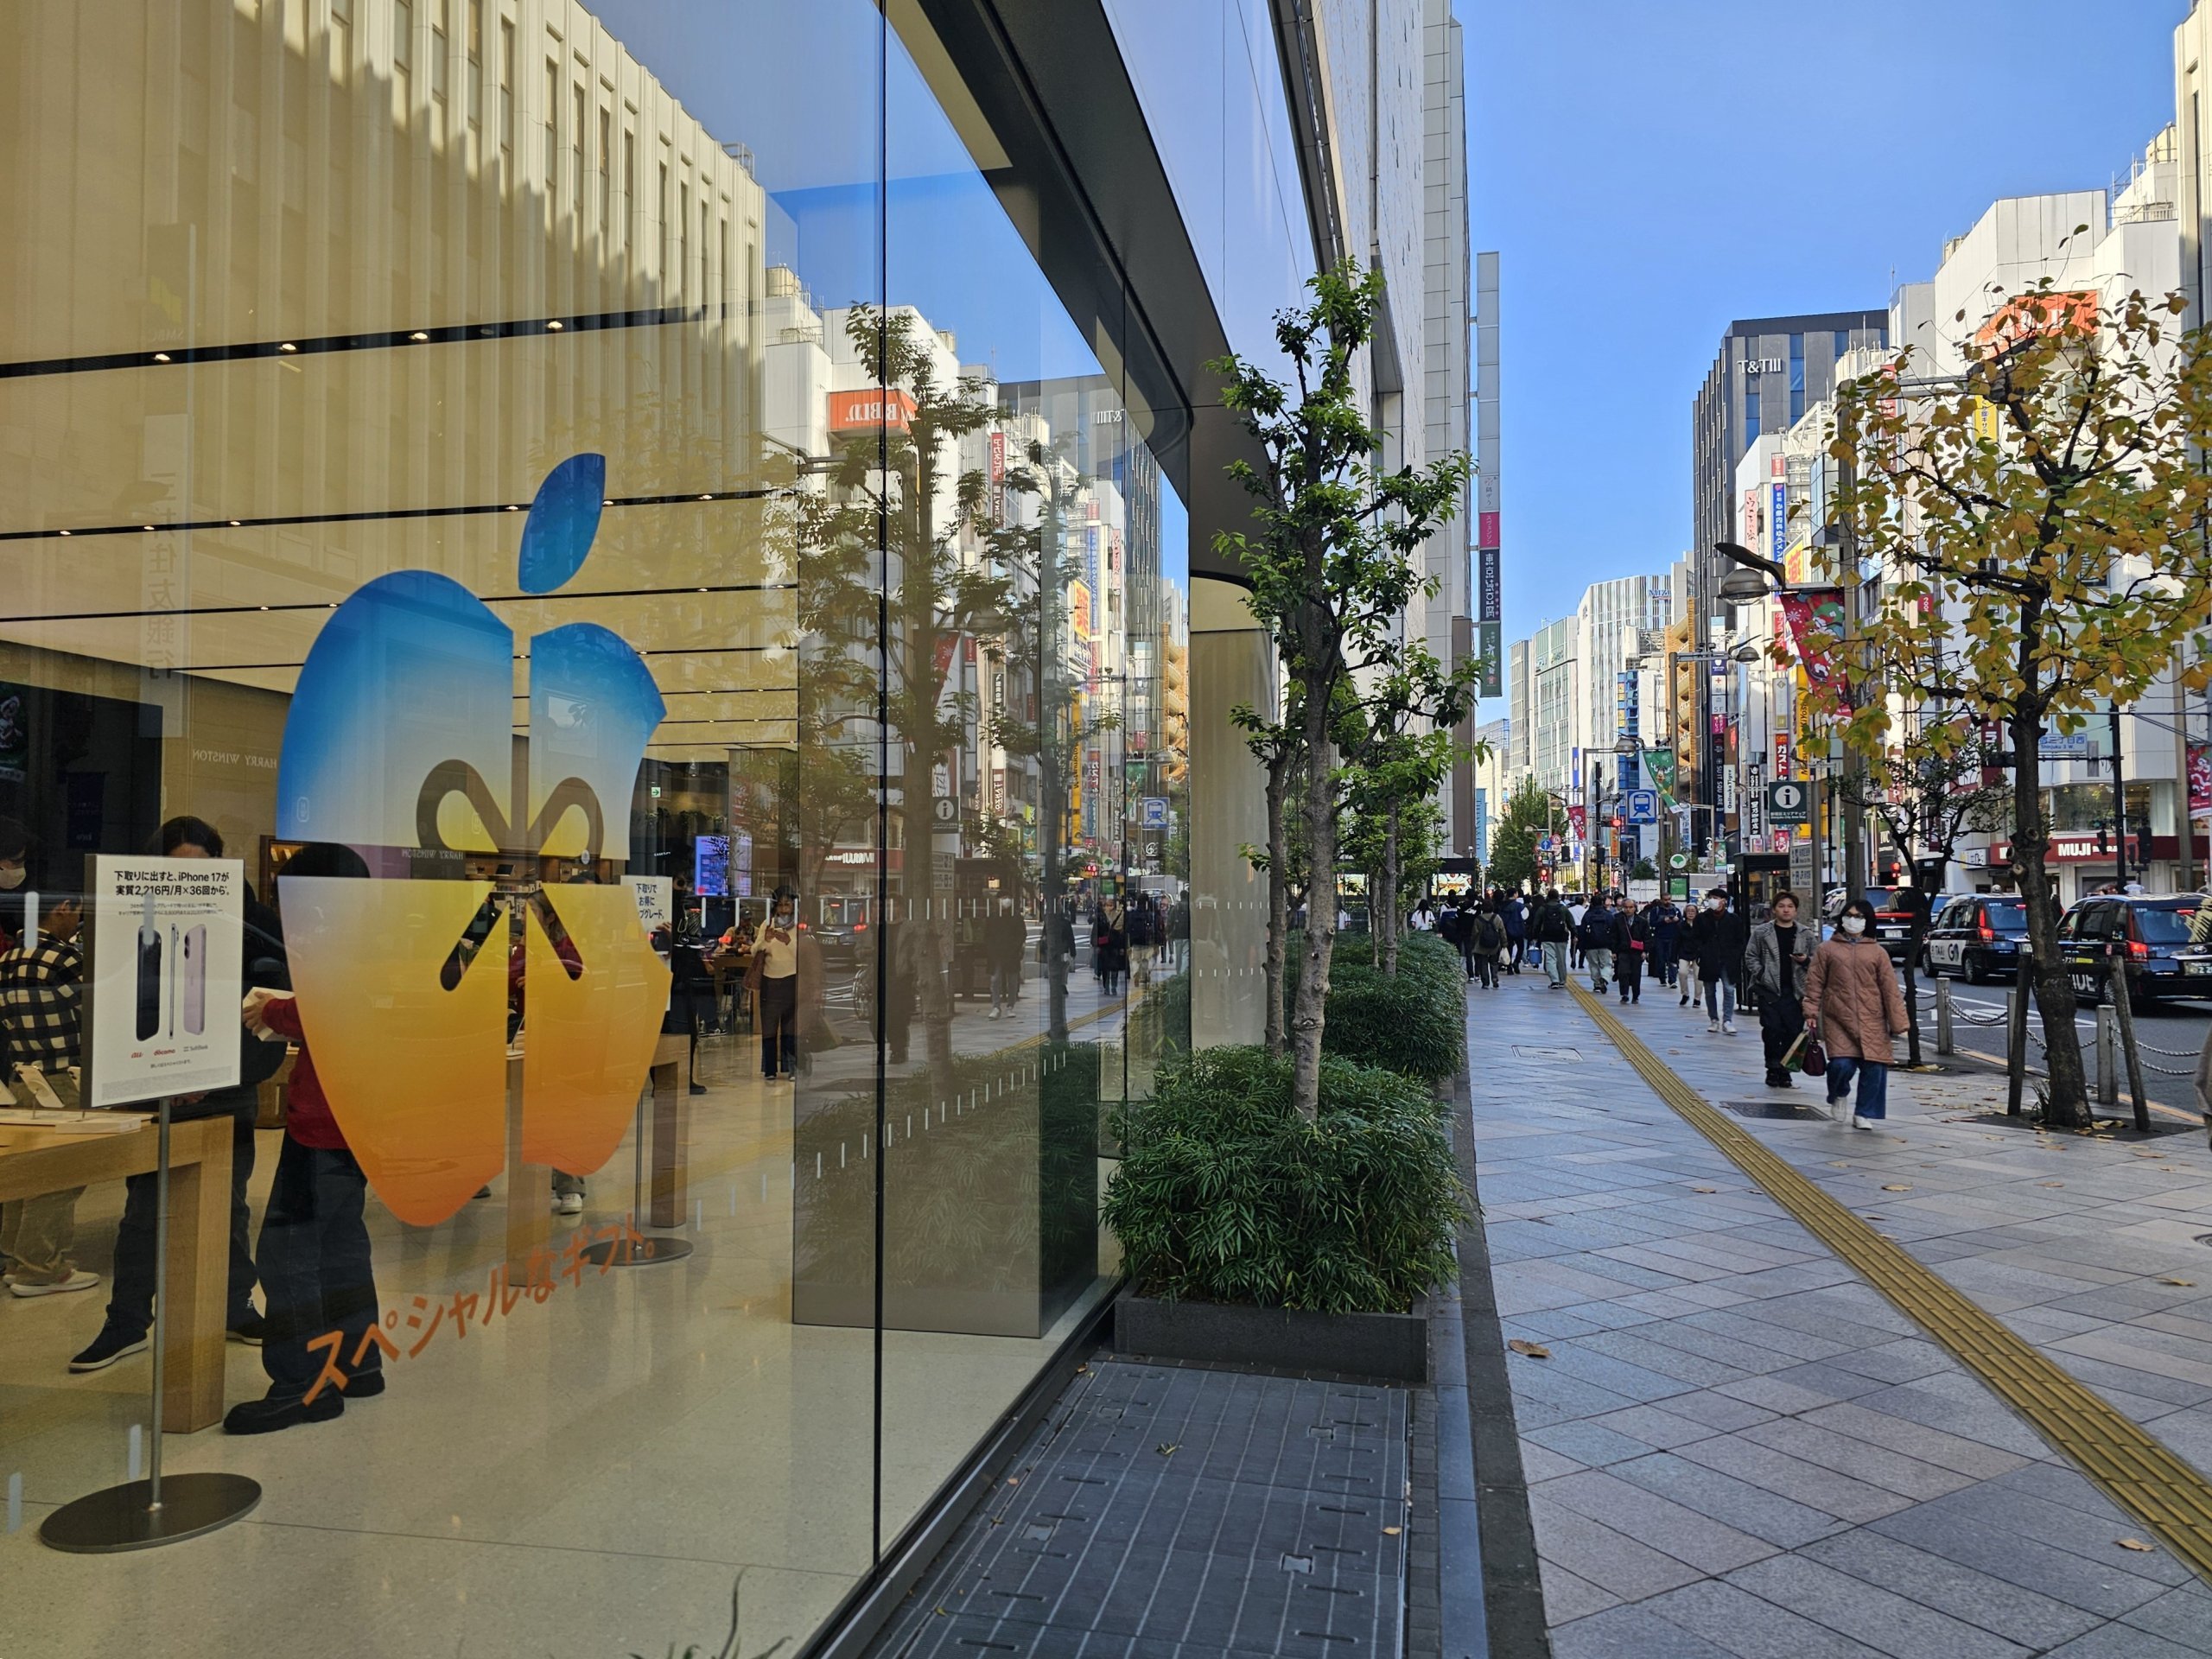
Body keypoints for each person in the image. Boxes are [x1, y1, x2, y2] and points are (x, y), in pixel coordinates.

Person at [70, 817, 284, 1370]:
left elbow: (269, 1013)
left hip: (227, 1089)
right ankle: (126, 1321)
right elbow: (116, 1001)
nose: (188, 880)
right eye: (175, 869)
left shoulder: (255, 923)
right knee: (143, 1212)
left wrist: (217, 1072)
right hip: (156, 1088)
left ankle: (234, 1305)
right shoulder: (129, 917)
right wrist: (155, 1076)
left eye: (201, 869)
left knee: (228, 1206)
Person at [227, 842, 383, 1434]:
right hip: (356, 1118)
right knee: (342, 1243)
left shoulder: (341, 945)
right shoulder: (374, 938)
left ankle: (302, 1384)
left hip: (322, 1124)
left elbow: (332, 1009)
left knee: (287, 1253)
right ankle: (358, 1362)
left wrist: (274, 1012)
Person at [0, 880, 95, 1299]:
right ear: (63, 908)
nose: (78, 922)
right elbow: (97, 1012)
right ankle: (41, 1269)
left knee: (25, 1171)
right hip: (64, 1080)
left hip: (22, 1079)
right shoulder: (65, 958)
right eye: (78, 912)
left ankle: (14, 1259)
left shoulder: (7, 957)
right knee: (61, 1175)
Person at [1804, 898, 1910, 1129]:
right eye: (1849, 915)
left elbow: (1890, 989)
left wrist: (1899, 1024)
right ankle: (1838, 1093)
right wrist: (1810, 1012)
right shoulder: (1826, 950)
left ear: (1867, 921)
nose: (1853, 920)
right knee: (1841, 1065)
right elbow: (1814, 983)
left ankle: (1864, 1113)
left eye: (1859, 916)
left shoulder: (1878, 953)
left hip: (1873, 1019)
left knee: (1875, 1066)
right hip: (1837, 1018)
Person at [1744, 888, 1815, 1089]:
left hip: (1796, 991)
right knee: (1772, 1030)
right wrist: (1761, 973)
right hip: (1769, 989)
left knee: (1793, 1031)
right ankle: (1772, 1068)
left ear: (1796, 910)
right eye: (1781, 906)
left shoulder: (1805, 934)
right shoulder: (1762, 932)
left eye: (1790, 906)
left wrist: (1805, 961)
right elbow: (1750, 956)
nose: (1786, 910)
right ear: (1774, 909)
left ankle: (1786, 1070)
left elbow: (1817, 960)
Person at [749, 889, 800, 1080]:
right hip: (770, 981)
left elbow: (803, 954)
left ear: (794, 906)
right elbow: (754, 950)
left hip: (792, 979)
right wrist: (766, 940)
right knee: (769, 1026)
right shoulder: (767, 924)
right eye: (780, 905)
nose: (784, 909)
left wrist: (788, 942)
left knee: (791, 1026)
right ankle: (770, 1069)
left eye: (787, 905)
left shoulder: (799, 926)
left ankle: (792, 1068)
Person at [1688, 887, 1747, 1034]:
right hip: (1709, 959)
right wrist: (1701, 951)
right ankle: (1713, 1019)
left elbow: (1740, 940)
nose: (1713, 901)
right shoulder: (1702, 918)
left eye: (1716, 898)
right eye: (1711, 898)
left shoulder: (1734, 919)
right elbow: (1695, 938)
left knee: (1729, 989)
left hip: (1728, 959)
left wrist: (1736, 954)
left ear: (1724, 901)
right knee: (1709, 991)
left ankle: (1727, 1020)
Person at [985, 898, 1026, 1020]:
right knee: (995, 979)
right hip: (996, 954)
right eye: (1003, 898)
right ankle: (996, 1006)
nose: (1005, 900)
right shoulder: (993, 916)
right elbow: (987, 934)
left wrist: (1015, 947)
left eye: (1007, 897)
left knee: (1012, 981)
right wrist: (991, 948)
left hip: (1012, 953)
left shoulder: (1016, 917)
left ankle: (1010, 1006)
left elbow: (1022, 934)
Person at [1533, 888, 1573, 988]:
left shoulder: (1543, 908)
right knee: (1561, 959)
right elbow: (1570, 922)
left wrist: (1535, 936)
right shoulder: (1563, 908)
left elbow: (1536, 923)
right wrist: (1575, 933)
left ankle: (1554, 980)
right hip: (1561, 937)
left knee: (1550, 959)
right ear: (1557, 897)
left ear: (1548, 897)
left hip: (1547, 936)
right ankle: (1562, 980)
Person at [1583, 894, 1622, 994]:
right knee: (1606, 964)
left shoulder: (1587, 915)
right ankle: (1604, 977)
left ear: (1591, 903)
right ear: (1602, 903)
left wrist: (1583, 944)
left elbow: (1582, 931)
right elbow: (1614, 931)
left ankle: (1597, 984)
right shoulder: (1608, 915)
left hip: (1591, 944)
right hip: (1606, 943)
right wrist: (1613, 946)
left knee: (1593, 964)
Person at [1647, 894, 1683, 988]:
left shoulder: (1676, 910)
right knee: (1661, 959)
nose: (1667, 901)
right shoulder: (1656, 910)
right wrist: (1663, 921)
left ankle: (1672, 980)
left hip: (1673, 938)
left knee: (1673, 959)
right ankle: (1662, 978)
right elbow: (1652, 923)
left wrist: (1677, 920)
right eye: (1665, 900)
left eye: (1669, 899)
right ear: (1661, 900)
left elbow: (1682, 924)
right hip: (1660, 938)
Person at [1617, 897, 1647, 1005]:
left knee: (1636, 974)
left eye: (1631, 907)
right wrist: (1614, 951)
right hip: (1623, 950)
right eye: (1626, 907)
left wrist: (1645, 951)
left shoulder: (1642, 921)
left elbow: (1647, 937)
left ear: (1635, 908)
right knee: (1623, 973)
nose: (1628, 910)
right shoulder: (1618, 920)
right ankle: (1624, 994)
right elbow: (1614, 936)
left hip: (1637, 952)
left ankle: (1635, 995)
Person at [1470, 901, 1507, 989]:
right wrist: (1504, 943)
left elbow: (1475, 933)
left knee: (1483, 964)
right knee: (1494, 962)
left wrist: (1473, 943)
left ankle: (1485, 982)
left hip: (1481, 945)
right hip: (1495, 944)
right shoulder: (1497, 918)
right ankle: (1494, 977)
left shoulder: (1478, 919)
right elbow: (1502, 931)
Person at [1502, 892, 1527, 974]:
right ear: (1515, 894)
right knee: (1521, 947)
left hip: (1507, 929)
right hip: (1519, 928)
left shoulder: (1503, 905)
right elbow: (1526, 916)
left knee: (1509, 948)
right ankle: (1516, 961)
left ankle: (1509, 967)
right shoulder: (1520, 906)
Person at [1567, 895, 1588, 971]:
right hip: (1582, 928)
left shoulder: (1570, 910)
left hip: (1573, 928)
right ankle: (1581, 963)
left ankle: (1573, 960)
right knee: (1582, 947)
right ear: (1582, 902)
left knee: (1573, 946)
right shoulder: (1585, 910)